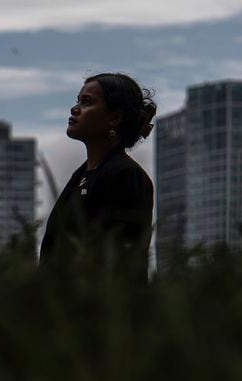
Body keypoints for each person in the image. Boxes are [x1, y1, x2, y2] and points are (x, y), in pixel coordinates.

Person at [39, 73, 156, 279]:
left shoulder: (126, 175)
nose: (75, 109)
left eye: (87, 102)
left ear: (114, 118)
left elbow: (120, 261)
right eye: (78, 101)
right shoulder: (81, 175)